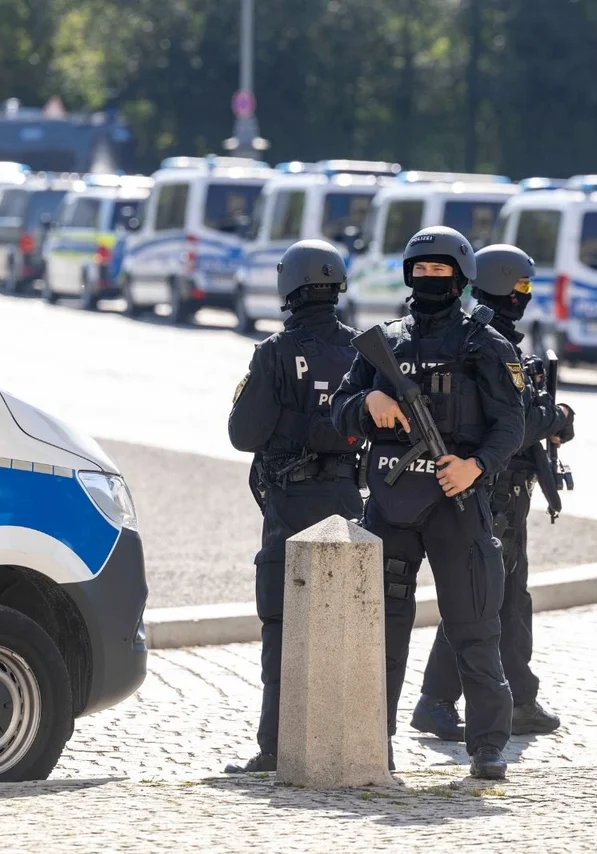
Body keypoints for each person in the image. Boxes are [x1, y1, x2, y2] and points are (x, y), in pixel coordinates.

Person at [330, 226, 525, 780]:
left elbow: (511, 424)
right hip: (391, 506)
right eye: (421, 269)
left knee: (475, 628)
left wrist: (476, 466)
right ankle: (374, 744)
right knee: (381, 637)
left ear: (461, 278)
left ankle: (488, 746)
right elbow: (340, 409)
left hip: (455, 502)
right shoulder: (385, 342)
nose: (430, 279)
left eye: (441, 271)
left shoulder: (485, 344)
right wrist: (368, 398)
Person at [410, 244, 575, 744]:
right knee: (480, 597)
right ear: (505, 284)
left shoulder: (493, 335)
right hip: (491, 488)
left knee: (508, 598)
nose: (527, 297)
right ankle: (435, 701)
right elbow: (512, 421)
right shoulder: (485, 340)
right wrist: (556, 419)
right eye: (522, 287)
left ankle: (519, 696)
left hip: (508, 488)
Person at [225, 239, 364, 774]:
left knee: (282, 624)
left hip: (292, 502)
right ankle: (352, 741)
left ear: (289, 287)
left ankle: (277, 746)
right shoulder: (364, 349)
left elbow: (243, 433)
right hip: (349, 501)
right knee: (350, 623)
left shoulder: (276, 352)